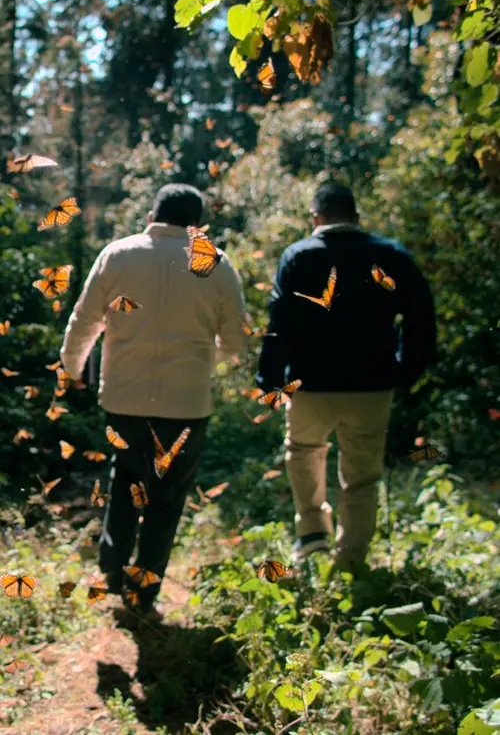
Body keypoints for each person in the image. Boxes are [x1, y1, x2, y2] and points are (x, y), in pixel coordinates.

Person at [61, 183, 247, 616]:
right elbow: (237, 342)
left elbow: (84, 319)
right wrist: (202, 359)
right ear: (196, 226)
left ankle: (112, 569)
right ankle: (143, 591)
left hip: (124, 400)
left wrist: (71, 369)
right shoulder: (217, 264)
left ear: (151, 215)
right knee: (167, 499)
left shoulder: (118, 254)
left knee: (125, 483)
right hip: (186, 405)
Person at [255, 181, 437, 572]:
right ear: (356, 216)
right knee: (362, 476)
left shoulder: (297, 256)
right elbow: (422, 318)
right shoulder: (391, 255)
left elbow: (279, 324)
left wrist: (269, 380)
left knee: (303, 453)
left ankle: (313, 540)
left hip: (309, 383)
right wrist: (405, 369)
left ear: (316, 217)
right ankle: (351, 559)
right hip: (372, 383)